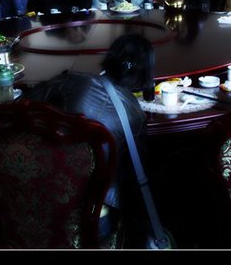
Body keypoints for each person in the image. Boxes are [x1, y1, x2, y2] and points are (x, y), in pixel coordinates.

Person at [24, 34, 154, 242]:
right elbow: (135, 182)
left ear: (110, 58)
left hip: (40, 200)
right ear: (145, 73)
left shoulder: (71, 80)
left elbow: (25, 104)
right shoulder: (135, 115)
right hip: (93, 221)